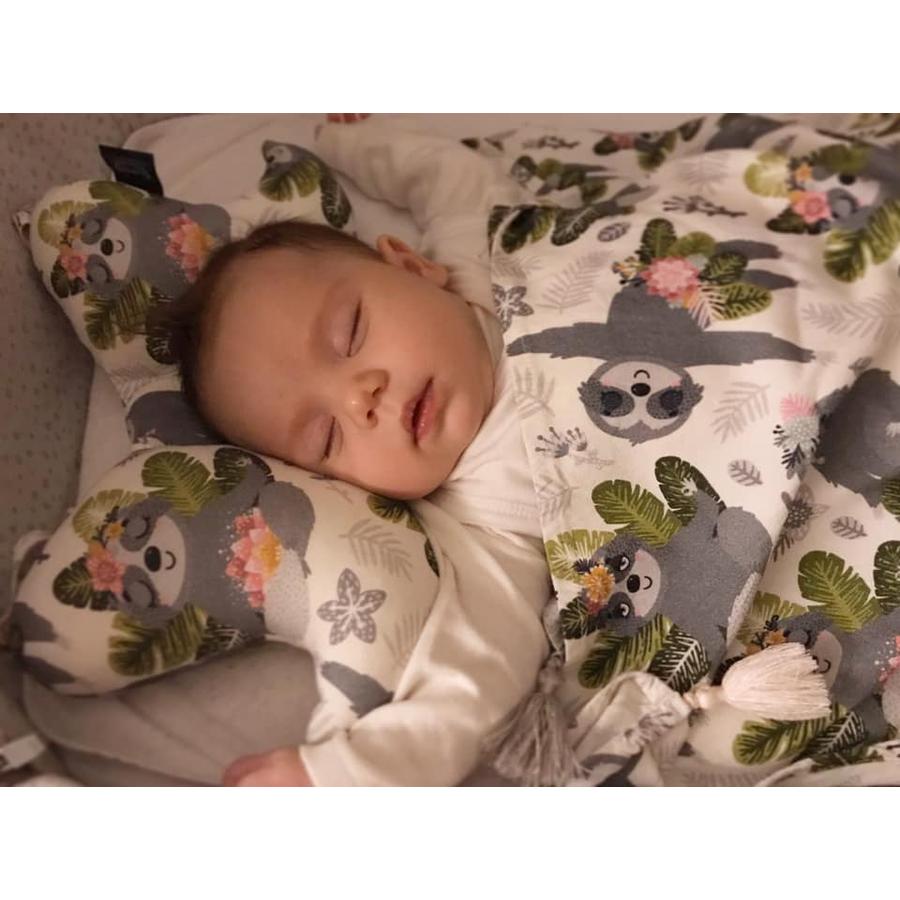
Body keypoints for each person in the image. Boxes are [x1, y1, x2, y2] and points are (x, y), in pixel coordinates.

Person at [162, 120, 551, 786]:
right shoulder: (488, 518)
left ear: (412, 267)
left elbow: (455, 178)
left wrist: (356, 139)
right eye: (327, 437)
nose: (360, 399)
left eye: (349, 335)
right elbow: (473, 677)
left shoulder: (479, 264)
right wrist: (342, 775)